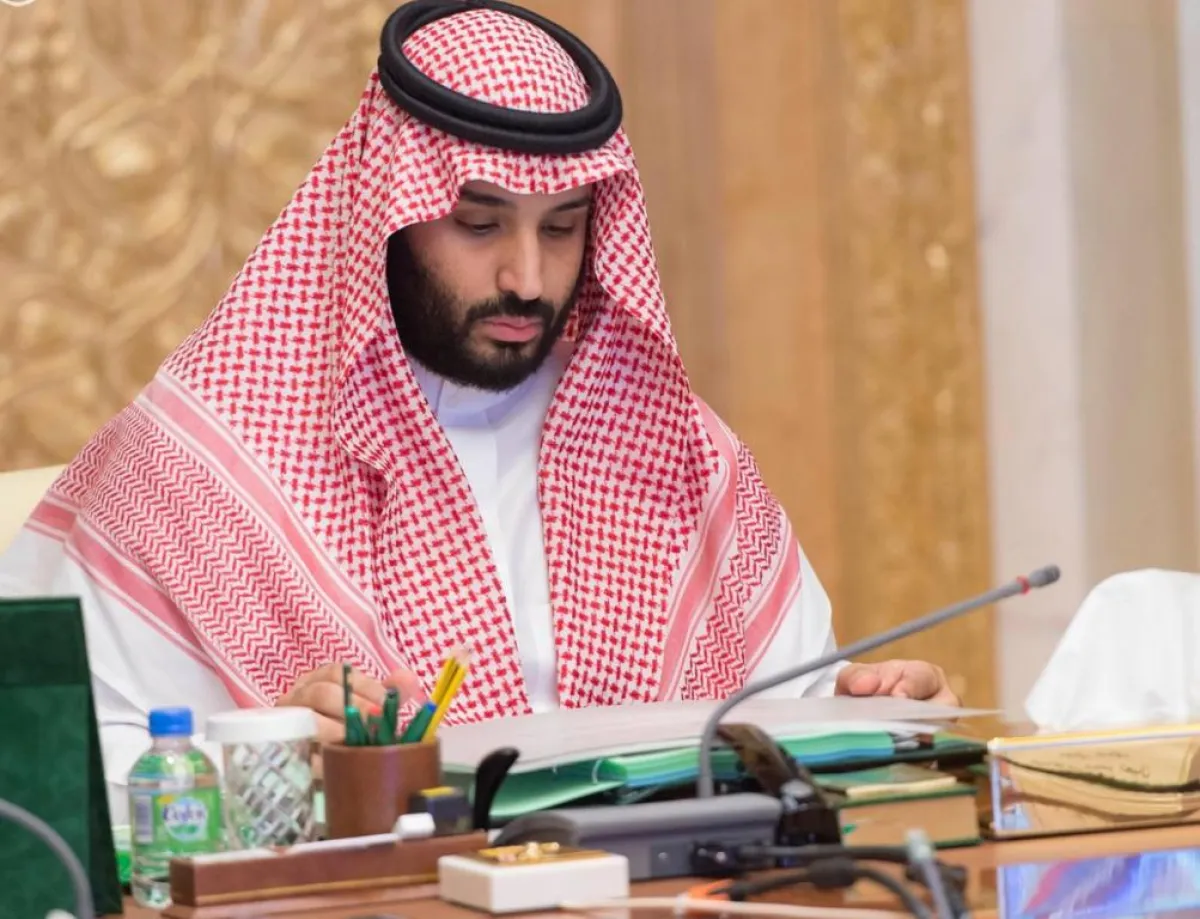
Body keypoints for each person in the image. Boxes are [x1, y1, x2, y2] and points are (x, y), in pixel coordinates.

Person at [0, 0, 957, 817]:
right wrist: (271, 757)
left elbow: (784, 716)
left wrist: (869, 716)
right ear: (390, 210)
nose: (527, 278)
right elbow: (48, 793)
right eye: (479, 223)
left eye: (564, 227)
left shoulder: (673, 448)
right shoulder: (198, 471)